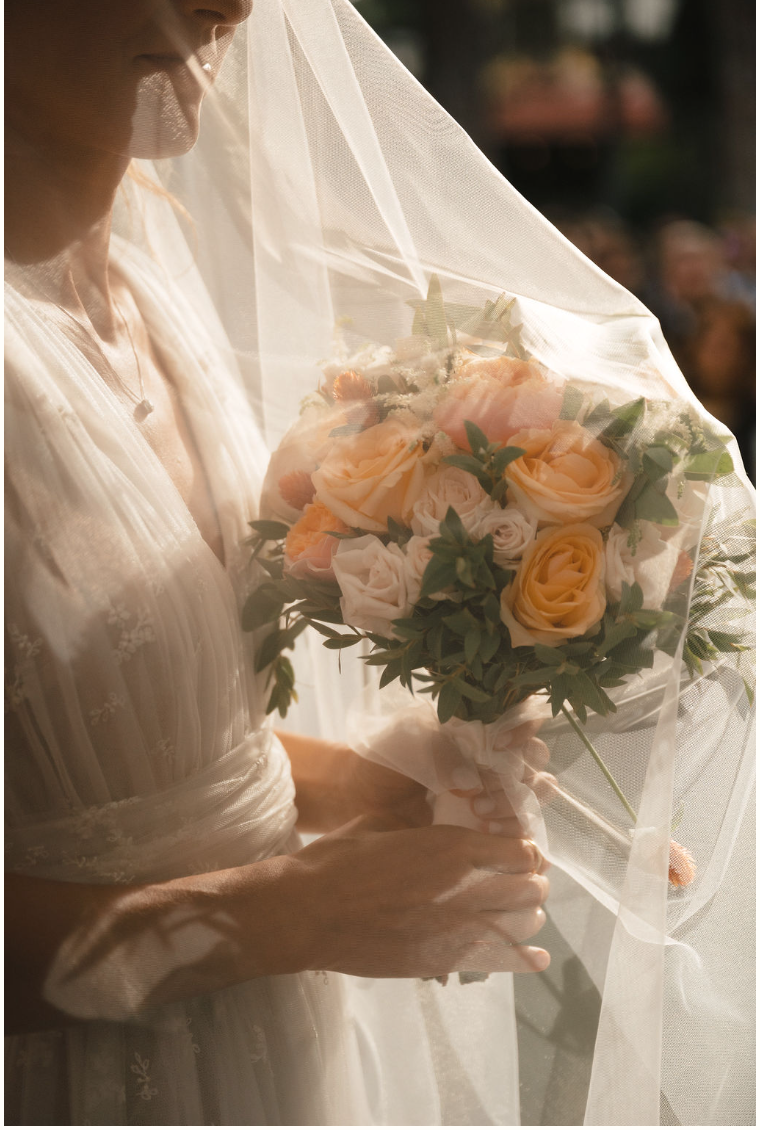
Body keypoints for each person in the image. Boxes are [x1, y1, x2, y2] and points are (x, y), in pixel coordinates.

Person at [4, 2, 552, 1124]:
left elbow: (108, 767)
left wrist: (358, 785)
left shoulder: (156, 281)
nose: (230, 5)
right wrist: (281, 911)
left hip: (276, 1056)